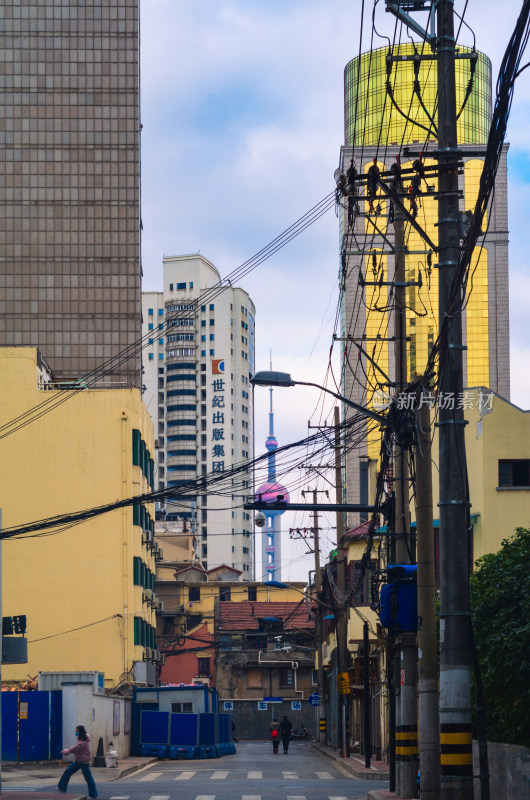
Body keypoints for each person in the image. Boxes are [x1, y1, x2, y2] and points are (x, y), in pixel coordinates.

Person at [57, 725, 98, 798]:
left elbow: (73, 749)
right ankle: (62, 788)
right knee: (68, 772)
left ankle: (93, 794)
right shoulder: (82, 738)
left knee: (88, 778)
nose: (75, 732)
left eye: (77, 731)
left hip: (84, 762)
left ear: (80, 732)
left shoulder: (82, 743)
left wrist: (65, 751)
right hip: (79, 761)